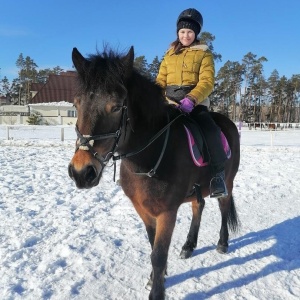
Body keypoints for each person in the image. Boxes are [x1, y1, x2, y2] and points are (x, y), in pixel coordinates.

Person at [156, 8, 228, 198]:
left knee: (210, 130)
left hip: (194, 102)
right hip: (169, 102)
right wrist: (157, 97)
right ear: (177, 33)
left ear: (196, 33)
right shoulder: (169, 54)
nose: (185, 35)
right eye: (182, 31)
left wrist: (192, 99)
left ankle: (218, 177)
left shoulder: (204, 54)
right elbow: (160, 80)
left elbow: (207, 81)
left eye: (189, 32)